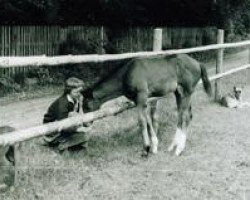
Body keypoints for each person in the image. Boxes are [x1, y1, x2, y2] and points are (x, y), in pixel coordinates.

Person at [43, 77, 91, 152]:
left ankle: (70, 144)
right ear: (68, 91)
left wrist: (81, 105)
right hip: (53, 131)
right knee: (82, 134)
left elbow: (82, 118)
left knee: (84, 136)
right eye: (76, 92)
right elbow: (63, 122)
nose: (79, 94)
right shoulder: (63, 102)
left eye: (80, 92)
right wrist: (78, 129)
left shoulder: (76, 99)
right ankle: (58, 145)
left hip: (64, 127)